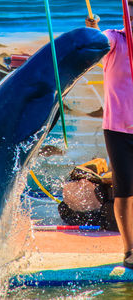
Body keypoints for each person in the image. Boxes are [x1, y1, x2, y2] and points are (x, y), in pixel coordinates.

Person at [85, 1, 133, 269]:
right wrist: (93, 30)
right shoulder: (116, 39)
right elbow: (97, 45)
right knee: (125, 190)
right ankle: (129, 250)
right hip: (118, 129)